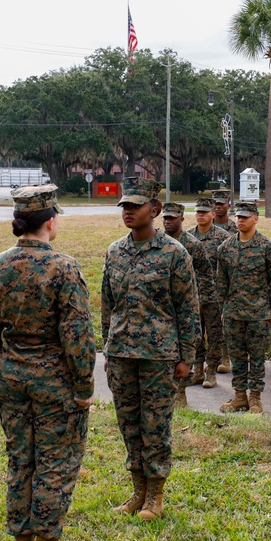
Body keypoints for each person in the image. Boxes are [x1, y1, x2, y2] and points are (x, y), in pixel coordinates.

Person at [0, 184, 95, 541]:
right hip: (54, 382)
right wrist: (84, 386)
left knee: (20, 460)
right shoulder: (63, 268)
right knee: (55, 463)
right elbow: (77, 337)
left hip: (11, 378)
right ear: (50, 221)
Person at [102, 177, 201, 521]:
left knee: (155, 426)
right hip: (121, 353)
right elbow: (108, 305)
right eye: (124, 206)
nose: (127, 212)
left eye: (135, 205)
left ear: (155, 210)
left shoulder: (175, 254)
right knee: (129, 424)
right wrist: (107, 349)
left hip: (159, 355)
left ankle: (155, 496)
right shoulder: (115, 251)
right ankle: (137, 491)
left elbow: (188, 310)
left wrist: (187, 357)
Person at [217, 201, 271, 414]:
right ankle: (239, 396)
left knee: (256, 357)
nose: (241, 220)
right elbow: (221, 282)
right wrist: (223, 310)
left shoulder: (267, 248)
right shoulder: (225, 248)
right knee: (236, 356)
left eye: (245, 217)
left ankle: (255, 398)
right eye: (238, 216)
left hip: (258, 313)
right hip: (233, 313)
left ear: (256, 218)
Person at [162, 202, 215, 405]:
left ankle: (181, 393)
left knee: (187, 345)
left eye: (172, 218)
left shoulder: (192, 245)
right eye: (165, 218)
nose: (168, 221)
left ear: (182, 219)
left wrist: (202, 300)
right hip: (164, 306)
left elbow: (205, 274)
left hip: (187, 304)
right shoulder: (159, 242)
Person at [187, 197, 229, 387]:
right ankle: (197, 371)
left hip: (214, 296)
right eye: (198, 212)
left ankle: (210, 372)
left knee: (214, 336)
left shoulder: (223, 238)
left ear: (213, 214)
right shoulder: (187, 237)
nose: (200, 215)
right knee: (195, 335)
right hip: (192, 296)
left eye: (204, 212)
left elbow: (228, 269)